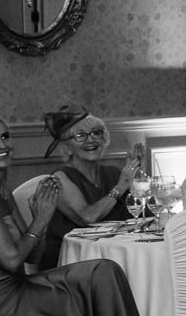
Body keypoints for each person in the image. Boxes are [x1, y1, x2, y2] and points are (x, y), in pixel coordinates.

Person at [0, 114, 160, 316]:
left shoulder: (2, 188)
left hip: (18, 287)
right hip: (0, 302)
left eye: (5, 137)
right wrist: (41, 221)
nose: (2, 146)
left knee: (103, 271)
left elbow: (34, 254)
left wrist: (39, 225)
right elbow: (13, 260)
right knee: (90, 293)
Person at [39, 105, 143, 270]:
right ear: (67, 147)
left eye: (96, 133)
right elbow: (87, 217)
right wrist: (121, 186)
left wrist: (137, 180)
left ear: (104, 140)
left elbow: (138, 216)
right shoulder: (60, 178)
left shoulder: (113, 173)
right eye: (80, 135)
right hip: (71, 263)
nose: (90, 140)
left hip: (113, 257)